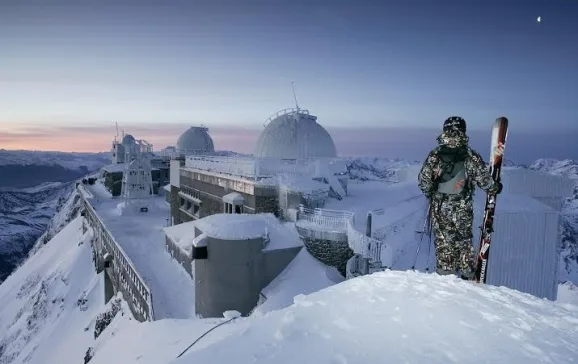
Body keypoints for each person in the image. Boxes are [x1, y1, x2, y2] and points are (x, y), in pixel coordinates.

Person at [417, 116, 503, 280]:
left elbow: (423, 181)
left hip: (439, 206)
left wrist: (432, 193)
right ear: (463, 131)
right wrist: (495, 187)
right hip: (462, 207)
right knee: (464, 239)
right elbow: (484, 181)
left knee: (443, 241)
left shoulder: (435, 155)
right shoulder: (470, 155)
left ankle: (445, 275)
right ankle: (466, 276)